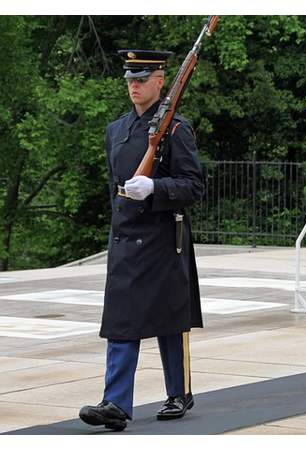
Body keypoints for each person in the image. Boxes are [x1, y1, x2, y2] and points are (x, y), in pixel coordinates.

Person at [79, 50, 205, 432]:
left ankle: (178, 391)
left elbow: (193, 186)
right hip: (126, 236)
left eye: (142, 79)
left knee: (170, 316)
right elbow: (113, 186)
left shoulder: (176, 130)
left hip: (161, 237)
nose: (134, 86)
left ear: (160, 81)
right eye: (130, 79)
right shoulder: (116, 130)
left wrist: (154, 188)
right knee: (122, 319)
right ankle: (115, 403)